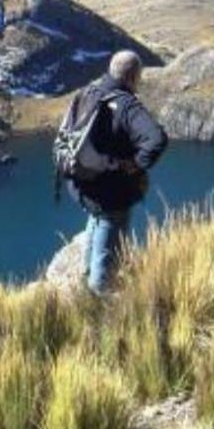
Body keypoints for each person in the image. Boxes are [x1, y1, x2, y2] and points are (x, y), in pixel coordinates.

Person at [64, 50, 168, 294]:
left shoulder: (89, 92)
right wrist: (135, 165)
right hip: (111, 191)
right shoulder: (126, 104)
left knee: (97, 218)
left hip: (82, 183)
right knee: (109, 225)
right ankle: (100, 295)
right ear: (133, 78)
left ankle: (86, 282)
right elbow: (156, 139)